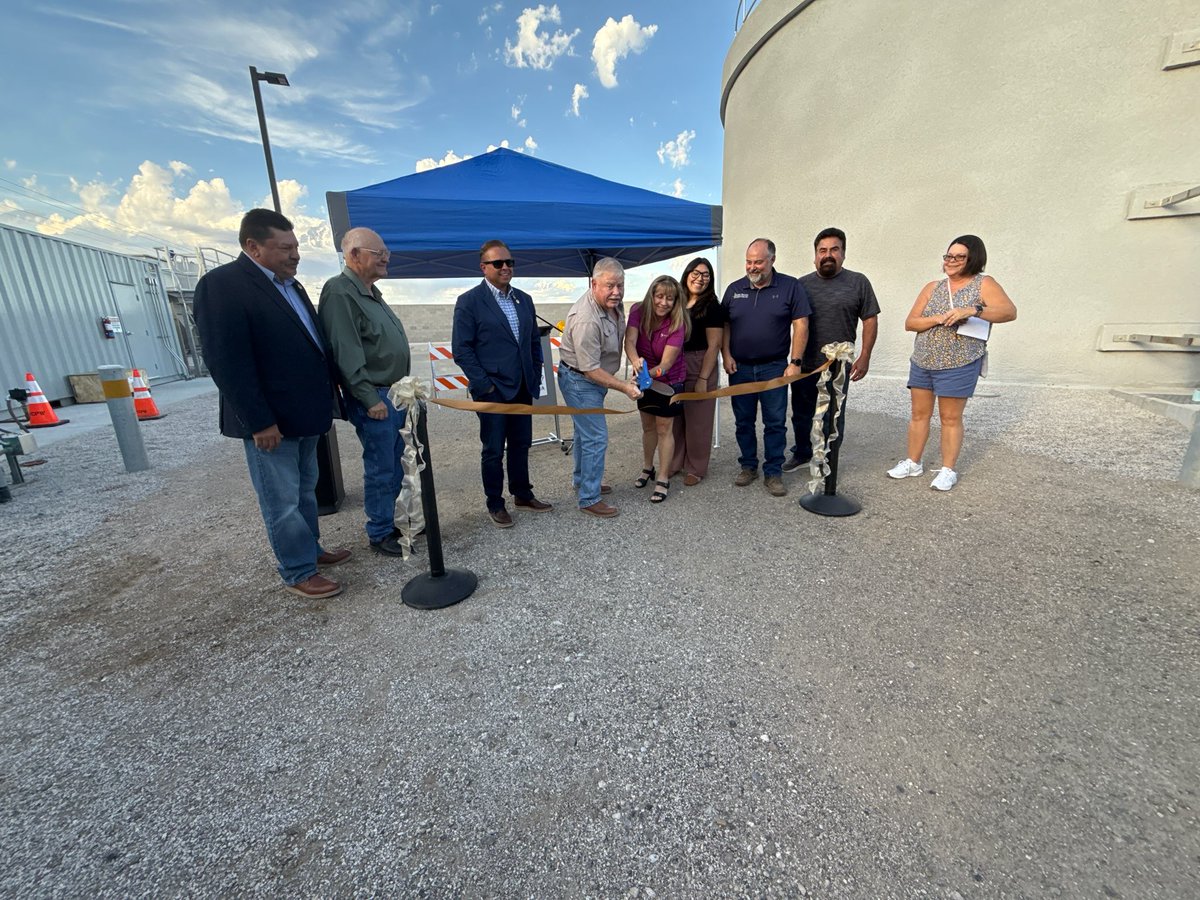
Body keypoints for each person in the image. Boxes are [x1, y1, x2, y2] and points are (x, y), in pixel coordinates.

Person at [193, 208, 349, 599]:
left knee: (304, 491)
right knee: (280, 500)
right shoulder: (223, 285)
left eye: (296, 247)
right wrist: (259, 420)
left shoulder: (290, 286)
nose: (295, 255)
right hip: (271, 423)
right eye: (285, 248)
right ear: (253, 247)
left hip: (305, 415)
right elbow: (226, 361)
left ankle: (309, 549)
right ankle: (297, 570)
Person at [888, 234, 1017, 491]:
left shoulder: (984, 283)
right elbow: (911, 323)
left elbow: (1008, 311)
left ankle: (948, 469)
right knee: (918, 415)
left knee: (950, 418)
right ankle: (913, 462)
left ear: (973, 259)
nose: (952, 261)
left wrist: (972, 310)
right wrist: (939, 318)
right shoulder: (933, 287)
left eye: (959, 257)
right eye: (949, 256)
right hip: (924, 360)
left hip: (959, 361)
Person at [318, 227, 412, 555]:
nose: (386, 257)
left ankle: (396, 523)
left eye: (386, 252)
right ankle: (381, 531)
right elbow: (346, 351)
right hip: (376, 397)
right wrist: (370, 398)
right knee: (381, 466)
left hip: (394, 394)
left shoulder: (370, 291)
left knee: (397, 464)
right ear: (353, 255)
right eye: (378, 252)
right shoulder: (341, 292)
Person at [452, 240, 553, 528]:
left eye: (510, 262)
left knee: (521, 444)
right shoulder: (470, 301)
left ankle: (522, 493)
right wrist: (485, 386)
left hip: (523, 387)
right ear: (484, 267)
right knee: (494, 449)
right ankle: (495, 503)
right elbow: (462, 349)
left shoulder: (524, 299)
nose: (506, 267)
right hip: (492, 391)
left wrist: (534, 371)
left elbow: (533, 341)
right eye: (498, 263)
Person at [783, 228, 881, 472]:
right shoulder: (801, 285)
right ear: (815, 256)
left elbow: (870, 320)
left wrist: (865, 356)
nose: (828, 255)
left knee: (833, 416)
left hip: (837, 367)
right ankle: (803, 453)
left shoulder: (858, 282)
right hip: (805, 364)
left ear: (843, 254)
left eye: (834, 250)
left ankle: (828, 460)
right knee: (802, 413)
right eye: (822, 250)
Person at [720, 238, 811, 497]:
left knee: (775, 422)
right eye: (749, 261)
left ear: (772, 260)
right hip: (741, 369)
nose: (752, 267)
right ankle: (748, 466)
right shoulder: (734, 289)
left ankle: (773, 471)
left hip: (774, 368)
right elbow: (724, 325)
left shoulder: (790, 287)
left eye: (758, 261)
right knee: (743, 422)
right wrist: (725, 355)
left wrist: (795, 363)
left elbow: (801, 324)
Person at [557, 257, 642, 518]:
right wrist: (625, 388)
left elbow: (623, 337)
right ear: (594, 284)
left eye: (620, 285)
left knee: (585, 434)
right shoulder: (586, 319)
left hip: (592, 380)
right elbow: (591, 370)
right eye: (609, 286)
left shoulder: (613, 307)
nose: (616, 292)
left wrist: (635, 359)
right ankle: (589, 498)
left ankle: (583, 481)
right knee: (596, 437)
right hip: (581, 381)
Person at [624, 275, 688, 503]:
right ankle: (647, 467)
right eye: (659, 296)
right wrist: (635, 362)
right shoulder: (638, 311)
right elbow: (630, 342)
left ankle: (663, 477)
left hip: (669, 381)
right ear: (651, 295)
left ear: (676, 301)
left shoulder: (677, 323)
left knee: (664, 429)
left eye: (669, 298)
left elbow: (666, 365)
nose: (663, 302)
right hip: (644, 377)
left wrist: (643, 375)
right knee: (647, 427)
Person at [668, 257, 725, 486]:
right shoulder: (677, 302)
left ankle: (696, 467)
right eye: (696, 272)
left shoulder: (712, 305)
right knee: (675, 418)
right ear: (687, 273)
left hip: (700, 362)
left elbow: (715, 345)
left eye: (706, 275)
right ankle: (674, 462)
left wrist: (703, 377)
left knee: (699, 420)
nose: (700, 278)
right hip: (675, 363)